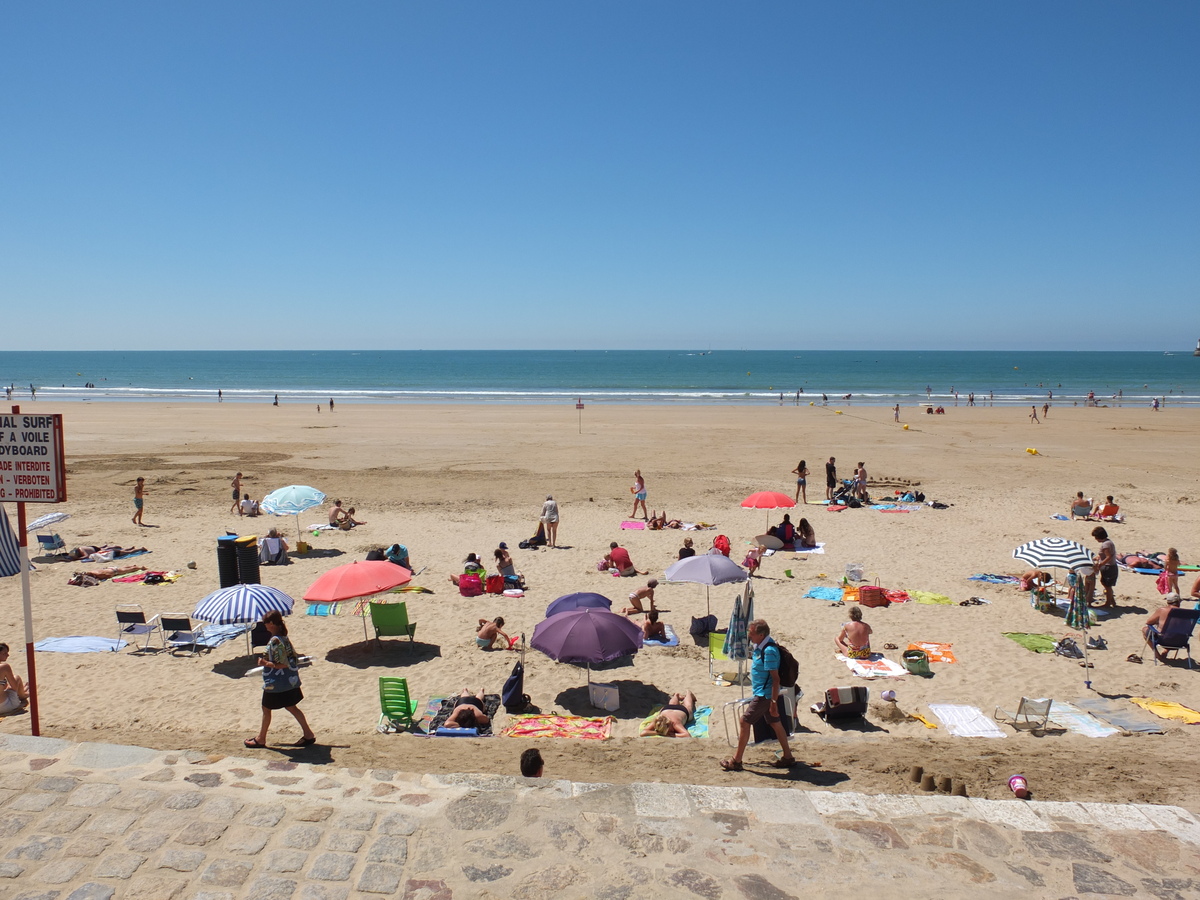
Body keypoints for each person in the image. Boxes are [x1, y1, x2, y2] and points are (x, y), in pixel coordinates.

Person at [719, 619, 795, 771]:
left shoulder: (769, 651)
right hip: (763, 694)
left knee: (745, 721)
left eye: (752, 634)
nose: (749, 636)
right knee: (775, 723)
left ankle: (736, 760)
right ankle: (788, 757)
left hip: (764, 696)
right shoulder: (760, 646)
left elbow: (775, 680)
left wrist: (773, 703)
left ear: (761, 634)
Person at [244, 610, 315, 748]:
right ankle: (308, 734)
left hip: (277, 683)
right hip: (289, 681)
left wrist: (264, 663)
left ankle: (261, 739)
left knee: (266, 708)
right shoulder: (284, 638)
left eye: (265, 623)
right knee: (292, 707)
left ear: (271, 623)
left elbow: (282, 664)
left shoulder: (275, 641)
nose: (264, 625)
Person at [1143, 595, 1183, 662]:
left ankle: (1158, 656)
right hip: (1180, 642)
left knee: (1145, 629)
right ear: (1178, 602)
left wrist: (1158, 622)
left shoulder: (1162, 610)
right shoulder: (1185, 613)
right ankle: (1166, 651)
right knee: (1173, 631)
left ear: (1168, 602)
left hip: (1163, 641)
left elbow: (1149, 622)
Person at [1091, 526, 1118, 609]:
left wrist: (1100, 564)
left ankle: (1108, 603)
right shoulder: (1108, 542)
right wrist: (1097, 558)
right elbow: (1104, 555)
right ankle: (1112, 601)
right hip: (1110, 566)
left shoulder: (1106, 544)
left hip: (1109, 567)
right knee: (1106, 584)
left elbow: (1108, 556)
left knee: (1107, 586)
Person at [0, 644, 30, 715]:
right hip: (4, 706)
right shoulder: (4, 667)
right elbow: (14, 687)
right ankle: (24, 695)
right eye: (4, 653)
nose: (8, 655)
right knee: (17, 678)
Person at [67, 544, 146, 561]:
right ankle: (130, 548)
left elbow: (87, 556)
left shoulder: (82, 550)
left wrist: (77, 558)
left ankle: (140, 549)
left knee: (127, 552)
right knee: (125, 551)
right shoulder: (81, 547)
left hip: (109, 552)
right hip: (101, 549)